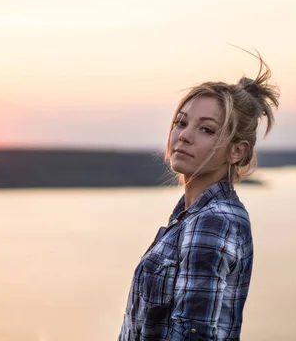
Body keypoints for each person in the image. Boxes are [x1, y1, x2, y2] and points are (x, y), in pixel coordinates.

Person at [118, 51, 280, 341]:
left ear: (236, 151)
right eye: (181, 123)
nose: (184, 135)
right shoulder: (190, 216)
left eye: (206, 129)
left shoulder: (213, 221)